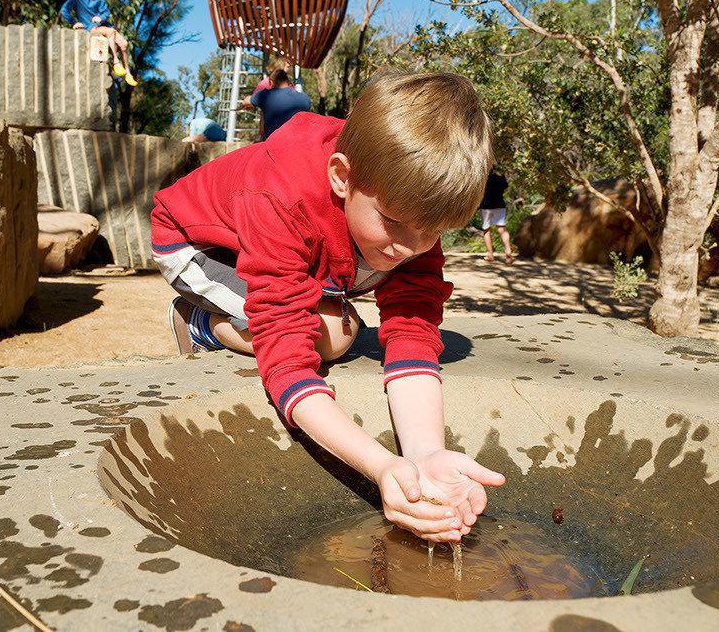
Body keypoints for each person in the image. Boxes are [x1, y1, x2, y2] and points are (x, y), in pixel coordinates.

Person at [150, 72, 505, 543]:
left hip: (290, 242)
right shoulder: (283, 192)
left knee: (343, 319)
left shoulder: (409, 212)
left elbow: (412, 325)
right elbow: (287, 359)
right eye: (393, 222)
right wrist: (379, 465)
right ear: (341, 176)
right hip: (198, 245)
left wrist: (424, 455)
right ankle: (200, 323)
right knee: (335, 336)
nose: (410, 247)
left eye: (432, 232)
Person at [59, 0, 138, 87]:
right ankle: (116, 62)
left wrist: (101, 18)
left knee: (124, 44)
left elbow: (106, 12)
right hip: (90, 28)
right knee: (110, 32)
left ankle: (127, 72)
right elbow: (64, 10)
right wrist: (74, 22)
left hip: (104, 26)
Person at [241, 68, 312, 140]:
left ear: (271, 82)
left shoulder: (265, 95)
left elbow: (245, 102)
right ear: (287, 81)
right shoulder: (305, 98)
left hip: (273, 143)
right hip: (298, 142)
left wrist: (251, 105)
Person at [479, 170, 513, 264]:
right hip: (499, 204)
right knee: (502, 229)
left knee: (486, 230)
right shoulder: (500, 176)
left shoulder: (483, 177)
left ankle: (490, 255)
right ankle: (508, 251)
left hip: (485, 206)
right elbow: (505, 186)